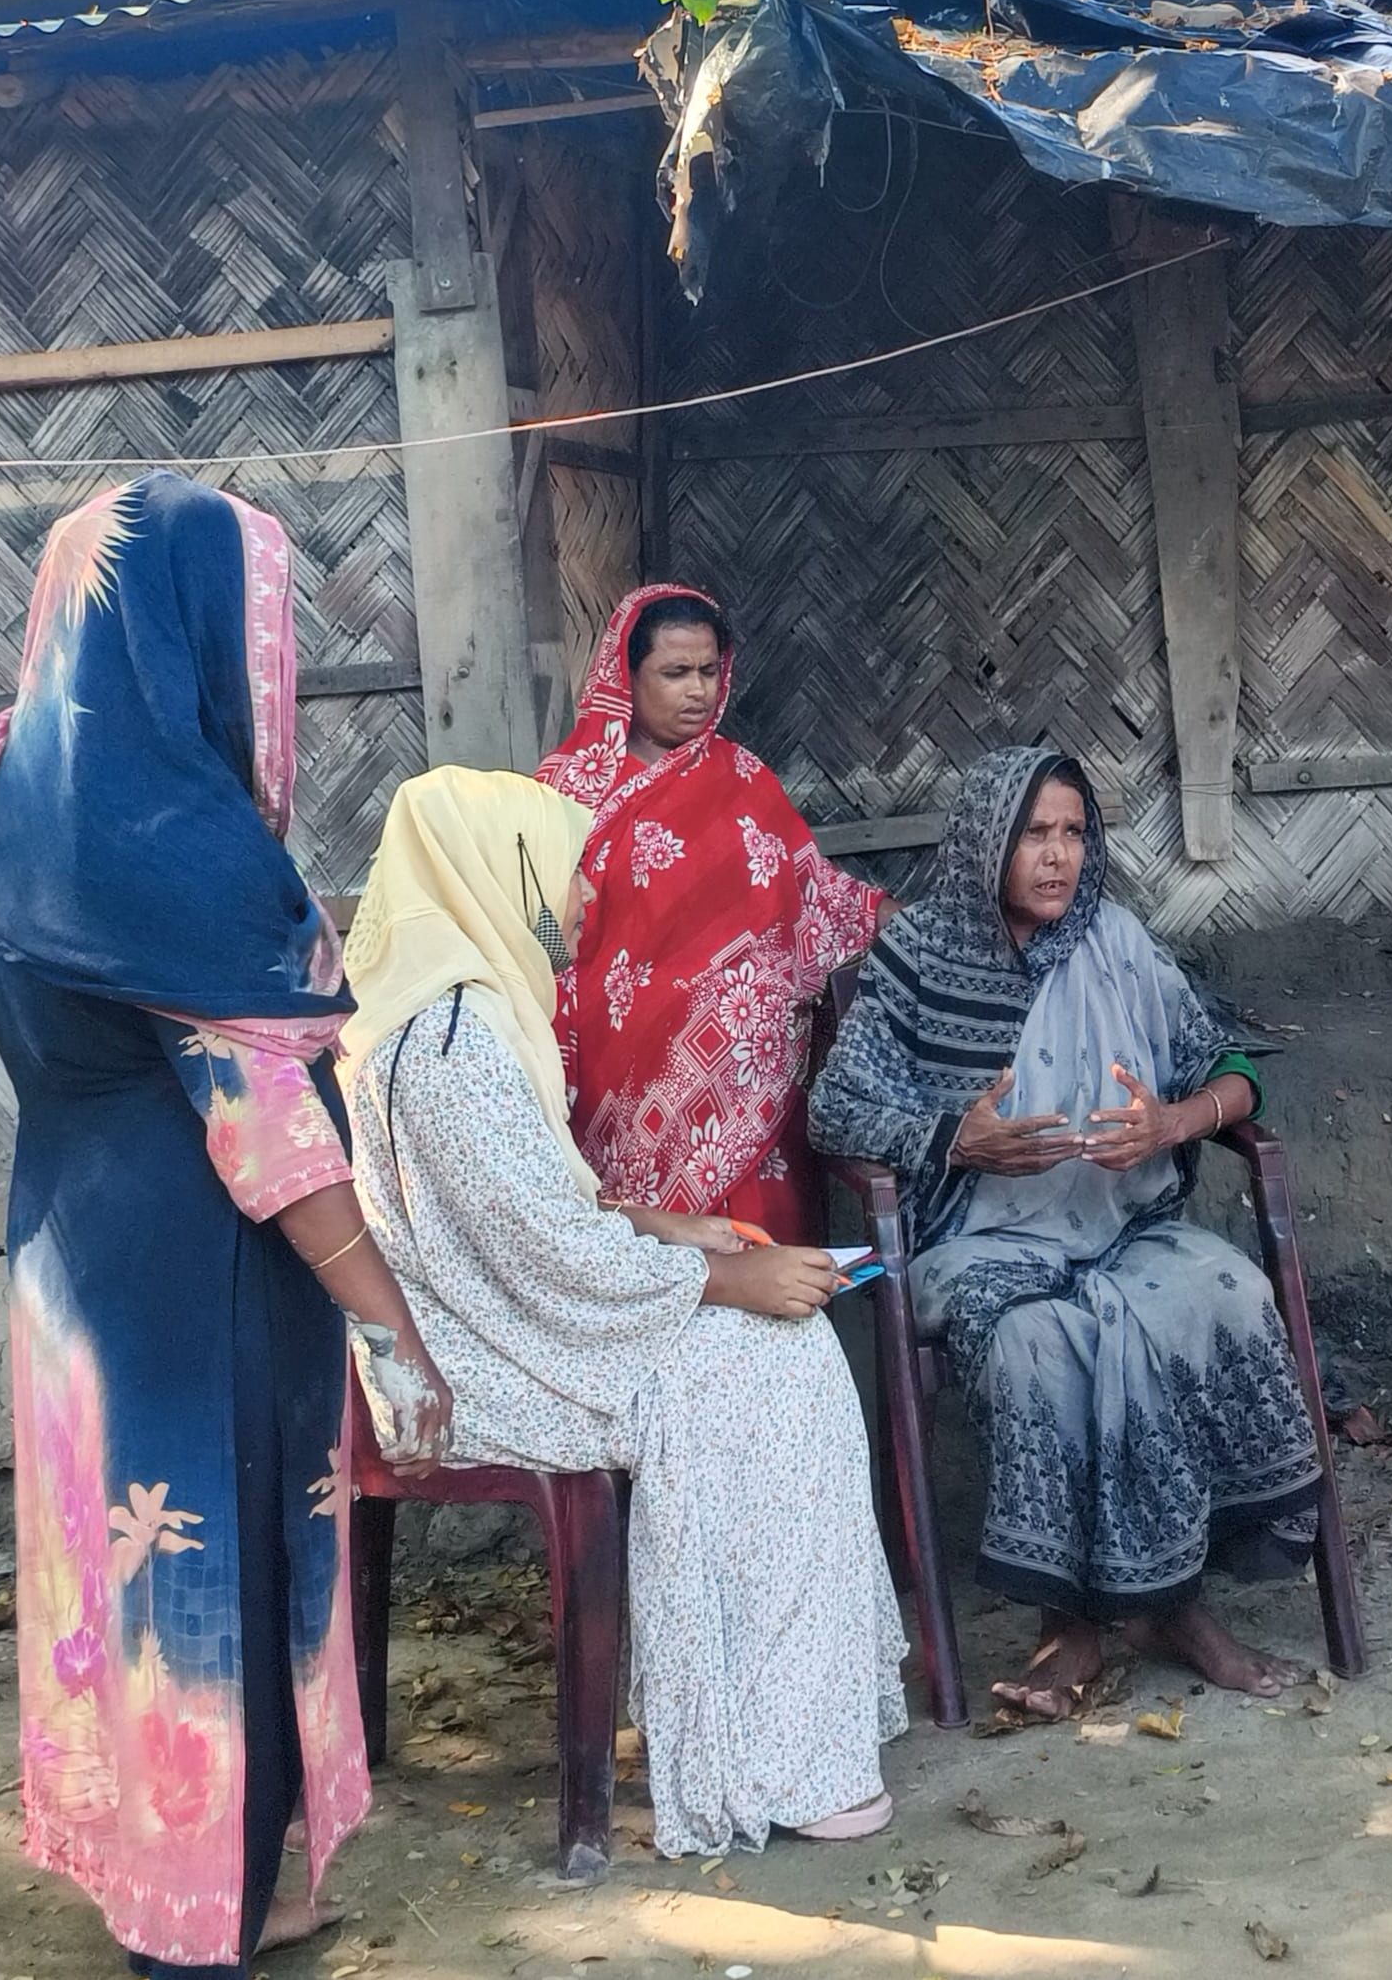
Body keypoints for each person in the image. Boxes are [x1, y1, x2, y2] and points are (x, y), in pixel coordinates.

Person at [0, 472, 454, 1980]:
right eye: (253, 626)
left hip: (72, 1257)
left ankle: (166, 1887)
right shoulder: (172, 858)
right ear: (193, 633)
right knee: (218, 1585)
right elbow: (264, 1133)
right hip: (205, 1273)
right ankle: (204, 1924)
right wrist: (390, 1321)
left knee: (118, 1576)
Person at [336, 764, 908, 1853]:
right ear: (498, 872)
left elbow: (541, 1210)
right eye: (563, 874)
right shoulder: (450, 1042)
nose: (582, 901)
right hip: (492, 1353)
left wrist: (667, 1224)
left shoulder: (456, 1009)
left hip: (514, 1318)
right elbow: (540, 1248)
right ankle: (772, 1756)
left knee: (781, 1354)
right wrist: (721, 1278)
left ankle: (791, 1720)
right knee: (768, 1373)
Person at [808, 747, 1318, 1717]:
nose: (1057, 857)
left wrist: (1176, 1120)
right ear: (987, 839)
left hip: (1126, 1230)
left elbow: (1234, 1064)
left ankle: (1174, 1603)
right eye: (1034, 833)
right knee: (1048, 1341)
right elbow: (836, 1109)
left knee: (1229, 1291)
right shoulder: (920, 956)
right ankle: (1077, 1625)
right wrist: (959, 1137)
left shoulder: (1117, 940)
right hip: (982, 1243)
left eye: (1074, 833)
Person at [536, 584, 885, 1249]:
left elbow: (816, 893)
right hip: (623, 1083)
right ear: (624, 674)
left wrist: (907, 923)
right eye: (674, 673)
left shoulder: (744, 776)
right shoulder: (563, 791)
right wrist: (554, 995)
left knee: (767, 1258)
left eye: (708, 671)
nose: (697, 690)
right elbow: (531, 919)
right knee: (652, 1264)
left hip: (749, 1086)